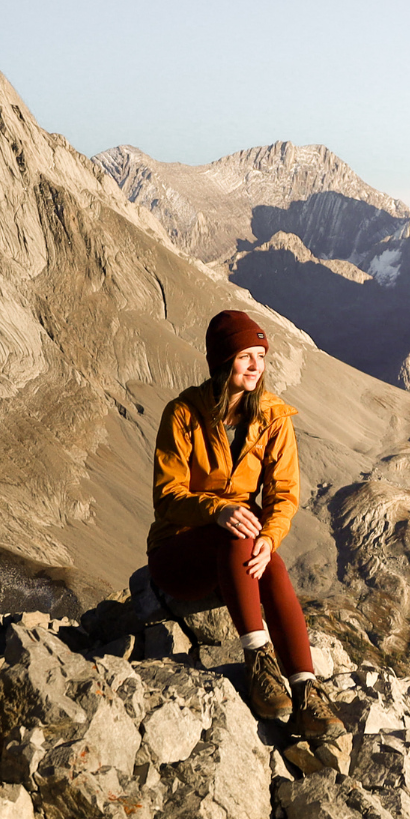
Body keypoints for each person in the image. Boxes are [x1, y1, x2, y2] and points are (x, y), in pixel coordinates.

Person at [148, 308, 345, 739]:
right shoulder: (183, 414)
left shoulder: (273, 417)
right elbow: (167, 496)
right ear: (222, 361)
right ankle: (259, 661)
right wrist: (216, 511)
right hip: (178, 552)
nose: (257, 365)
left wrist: (270, 539)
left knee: (263, 550)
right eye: (245, 356)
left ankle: (305, 691)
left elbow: (284, 496)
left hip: (238, 547)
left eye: (261, 355)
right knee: (238, 528)